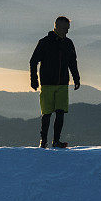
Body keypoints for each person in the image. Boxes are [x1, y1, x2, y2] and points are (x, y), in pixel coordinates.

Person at [29, 16, 81, 148]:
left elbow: (72, 63)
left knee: (60, 112)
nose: (67, 31)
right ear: (56, 26)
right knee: (46, 113)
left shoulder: (68, 43)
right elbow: (33, 61)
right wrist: (34, 80)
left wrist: (76, 78)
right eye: (64, 28)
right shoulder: (45, 42)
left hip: (63, 83)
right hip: (47, 84)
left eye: (68, 29)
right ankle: (43, 141)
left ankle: (56, 141)